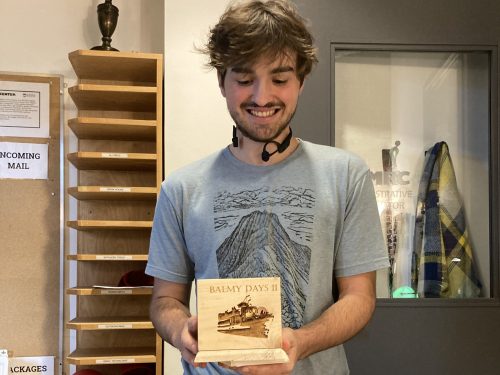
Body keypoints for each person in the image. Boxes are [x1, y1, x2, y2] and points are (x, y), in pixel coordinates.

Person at [145, 1, 389, 374]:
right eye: (244, 80)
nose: (262, 97)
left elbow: (360, 296)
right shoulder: (179, 188)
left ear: (301, 81)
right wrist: (181, 330)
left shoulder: (345, 175)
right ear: (221, 81)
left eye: (280, 78)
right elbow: (165, 299)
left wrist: (300, 342)